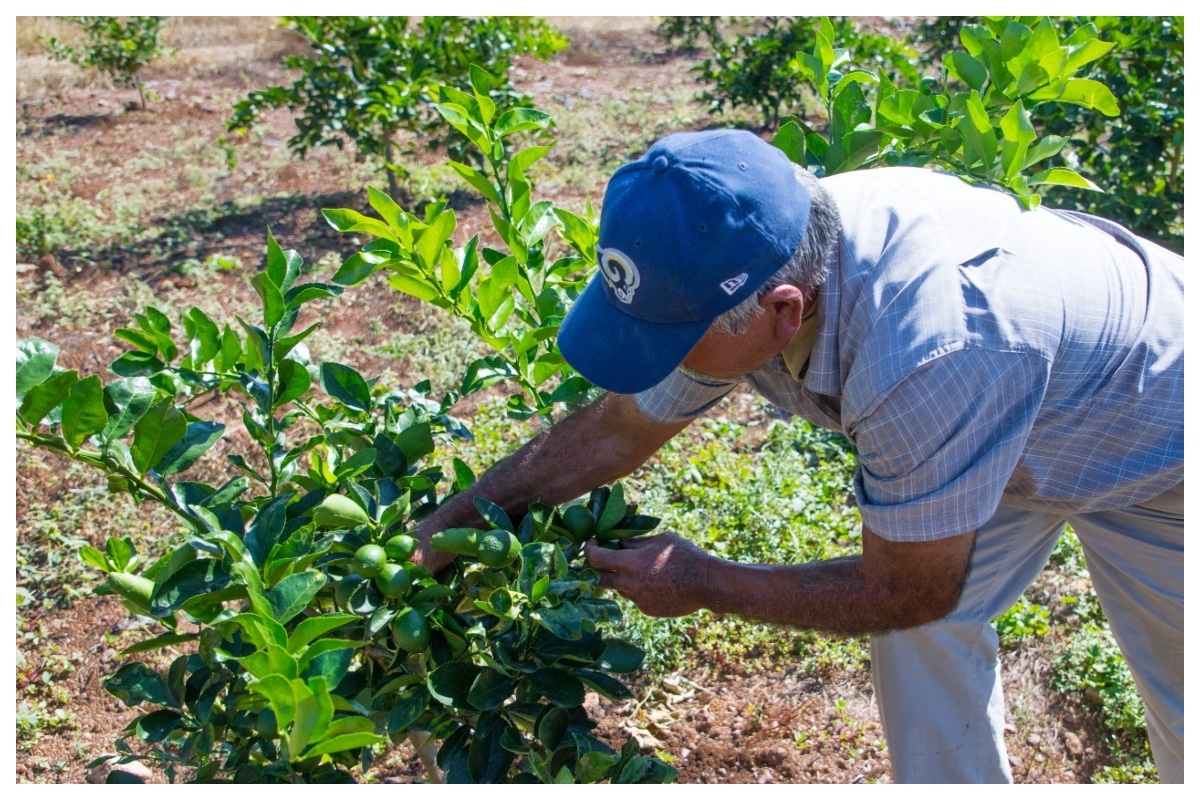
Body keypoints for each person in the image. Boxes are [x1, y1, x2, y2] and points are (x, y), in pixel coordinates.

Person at [414, 130, 1184, 783]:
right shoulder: (755, 234)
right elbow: (614, 431)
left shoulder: (925, 351)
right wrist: (443, 528)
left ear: (783, 312)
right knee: (924, 644)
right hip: (1007, 420)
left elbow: (905, 589)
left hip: (1161, 446)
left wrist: (703, 580)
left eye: (677, 339)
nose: (666, 360)